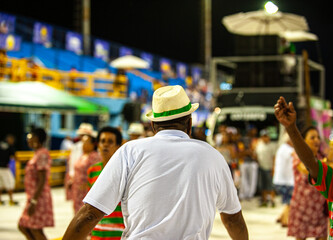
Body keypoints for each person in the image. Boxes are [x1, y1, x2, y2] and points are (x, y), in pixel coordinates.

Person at [63, 85, 248, 240]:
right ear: (189, 124)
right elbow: (233, 219)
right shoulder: (213, 156)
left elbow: (90, 213)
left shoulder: (130, 151)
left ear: (153, 126)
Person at [274, 97, 333, 239]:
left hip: (318, 209)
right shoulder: (296, 156)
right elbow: (308, 169)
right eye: (312, 138)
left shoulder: (323, 158)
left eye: (318, 137)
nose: (317, 141)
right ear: (304, 140)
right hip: (302, 208)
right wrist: (291, 128)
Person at [87, 126, 124, 239]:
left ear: (118, 146)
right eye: (103, 141)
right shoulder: (92, 171)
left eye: (110, 142)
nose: (105, 145)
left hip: (119, 233)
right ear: (98, 145)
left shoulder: (124, 171)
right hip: (98, 233)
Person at [18, 128, 54, 240]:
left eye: (29, 137)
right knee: (25, 227)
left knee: (34, 228)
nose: (27, 139)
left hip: (38, 198)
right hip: (33, 197)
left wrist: (34, 201)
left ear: (36, 138)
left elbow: (42, 179)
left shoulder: (42, 154)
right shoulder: (37, 153)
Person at [65, 123, 94, 200]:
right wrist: (71, 178)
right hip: (77, 180)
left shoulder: (94, 153)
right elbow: (72, 163)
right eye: (82, 135)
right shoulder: (76, 147)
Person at [72, 134, 100, 213]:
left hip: (87, 190)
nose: (83, 144)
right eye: (83, 142)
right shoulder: (82, 155)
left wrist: (87, 184)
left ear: (92, 144)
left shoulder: (95, 156)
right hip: (77, 189)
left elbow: (96, 173)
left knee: (84, 213)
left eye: (86, 142)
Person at [272, 133, 294, 227]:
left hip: (280, 179)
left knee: (287, 200)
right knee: (289, 201)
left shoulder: (282, 148)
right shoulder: (289, 150)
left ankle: (281, 217)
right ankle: (285, 220)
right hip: (285, 180)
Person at [0, 134, 17, 205]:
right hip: (4, 168)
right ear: (9, 139)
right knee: (10, 183)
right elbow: (14, 156)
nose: (13, 142)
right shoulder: (10, 147)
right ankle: (11, 200)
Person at [255, 129, 277, 207]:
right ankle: (264, 201)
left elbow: (274, 157)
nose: (265, 138)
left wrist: (274, 168)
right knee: (263, 186)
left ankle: (272, 201)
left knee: (270, 186)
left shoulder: (272, 145)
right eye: (263, 136)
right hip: (261, 167)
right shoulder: (259, 145)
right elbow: (256, 155)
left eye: (266, 136)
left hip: (269, 168)